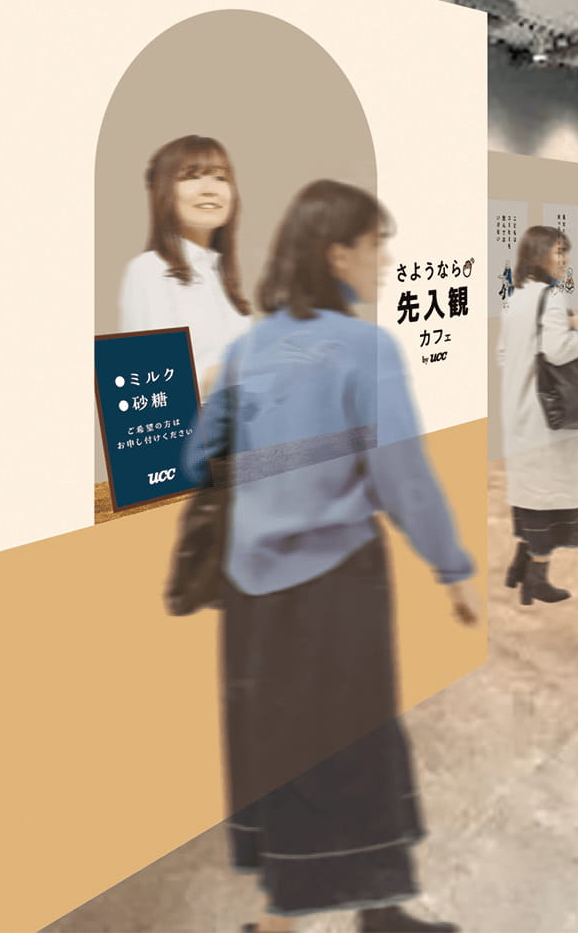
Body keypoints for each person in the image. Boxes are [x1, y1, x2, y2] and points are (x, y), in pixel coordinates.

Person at [182, 180, 480, 933]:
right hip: (336, 588)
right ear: (336, 253)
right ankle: (346, 917)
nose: (386, 261)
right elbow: (403, 476)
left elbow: (195, 463)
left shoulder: (247, 349)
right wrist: (451, 569)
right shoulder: (365, 349)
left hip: (252, 598)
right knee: (357, 744)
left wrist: (212, 396)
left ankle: (340, 914)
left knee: (281, 746)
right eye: (378, 245)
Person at [496, 225, 578, 606]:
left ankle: (520, 566)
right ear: (539, 254)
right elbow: (558, 351)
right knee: (551, 495)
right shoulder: (553, 297)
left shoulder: (513, 298)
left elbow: (503, 356)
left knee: (531, 491)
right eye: (559, 251)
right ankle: (536, 580)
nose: (565, 259)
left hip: (517, 412)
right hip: (546, 417)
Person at [118, 135, 252, 398]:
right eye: (191, 176)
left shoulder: (222, 279)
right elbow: (147, 391)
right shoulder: (150, 271)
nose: (210, 189)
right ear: (164, 192)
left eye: (221, 177)